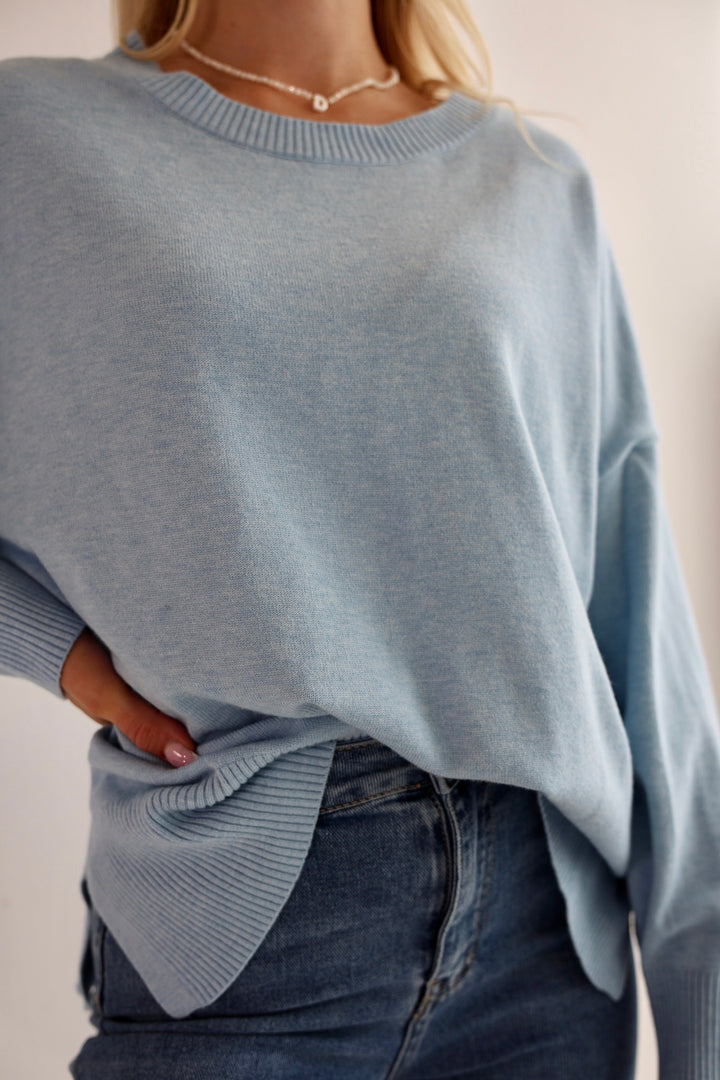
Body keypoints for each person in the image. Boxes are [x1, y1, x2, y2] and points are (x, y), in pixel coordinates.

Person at [1, 1, 719, 1076]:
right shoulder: (35, 140)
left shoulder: (534, 183)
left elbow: (637, 624)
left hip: (547, 944)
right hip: (247, 924)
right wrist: (60, 654)